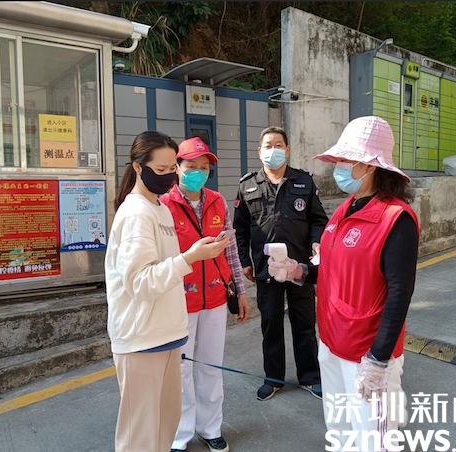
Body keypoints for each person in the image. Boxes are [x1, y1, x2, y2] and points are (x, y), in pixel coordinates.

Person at [268, 116, 420, 451]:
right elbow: (331, 267)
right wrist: (298, 271)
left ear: (370, 166)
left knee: (374, 440)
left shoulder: (396, 219)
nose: (338, 166)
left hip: (366, 352)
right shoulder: (345, 209)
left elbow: (399, 293)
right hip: (331, 341)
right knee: (340, 430)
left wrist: (378, 359)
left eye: (345, 159)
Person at [105, 131, 229, 452]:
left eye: (172, 168)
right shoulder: (136, 213)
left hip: (165, 333)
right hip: (142, 338)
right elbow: (140, 282)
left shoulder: (158, 208)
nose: (169, 176)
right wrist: (190, 258)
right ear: (137, 167)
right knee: (141, 436)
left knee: (163, 427)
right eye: (160, 170)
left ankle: (201, 429)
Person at [160, 137, 250, 452]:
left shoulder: (217, 201)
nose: (198, 172)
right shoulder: (164, 205)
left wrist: (240, 290)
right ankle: (180, 434)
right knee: (181, 369)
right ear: (177, 168)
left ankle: (210, 428)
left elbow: (231, 250)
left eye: (204, 167)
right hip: (179, 300)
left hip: (215, 296)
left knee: (211, 366)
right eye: (191, 166)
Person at [233, 126, 329, 402]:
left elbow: (318, 219)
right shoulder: (247, 185)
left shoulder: (304, 182)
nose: (273, 150)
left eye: (278, 145)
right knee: (271, 324)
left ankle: (310, 376)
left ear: (287, 150)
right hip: (266, 269)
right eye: (268, 145)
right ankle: (273, 378)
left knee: (304, 323)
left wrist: (317, 242)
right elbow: (240, 229)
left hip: (299, 268)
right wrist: (245, 261)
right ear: (259, 151)